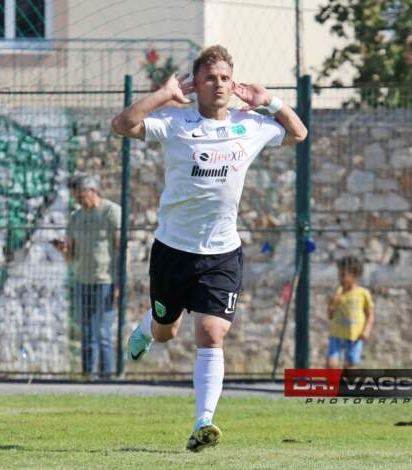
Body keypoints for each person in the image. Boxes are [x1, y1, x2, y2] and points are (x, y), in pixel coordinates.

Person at [111, 45, 307, 452]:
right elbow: (122, 125)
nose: (218, 85)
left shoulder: (249, 125)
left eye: (224, 78)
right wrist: (163, 94)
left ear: (232, 84)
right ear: (196, 84)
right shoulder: (176, 122)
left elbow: (298, 133)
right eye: (210, 78)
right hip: (173, 249)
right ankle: (147, 327)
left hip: (221, 253)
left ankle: (204, 422)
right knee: (167, 331)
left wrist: (270, 101)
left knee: (211, 333)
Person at [51, 173, 121, 380]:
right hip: (83, 281)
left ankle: (107, 378)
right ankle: (87, 376)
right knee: (87, 332)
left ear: (93, 191)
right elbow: (70, 257)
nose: (79, 201)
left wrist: (119, 283)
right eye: (76, 198)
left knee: (103, 333)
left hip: (105, 281)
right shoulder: (76, 217)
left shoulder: (111, 212)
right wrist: (63, 249)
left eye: (81, 196)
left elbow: (120, 249)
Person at [326, 256, 374, 368]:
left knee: (350, 363)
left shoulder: (363, 294)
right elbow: (330, 316)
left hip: (355, 335)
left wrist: (366, 330)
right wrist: (332, 303)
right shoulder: (338, 293)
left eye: (343, 275)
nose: (340, 279)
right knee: (331, 363)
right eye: (339, 275)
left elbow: (370, 314)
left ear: (355, 275)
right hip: (337, 334)